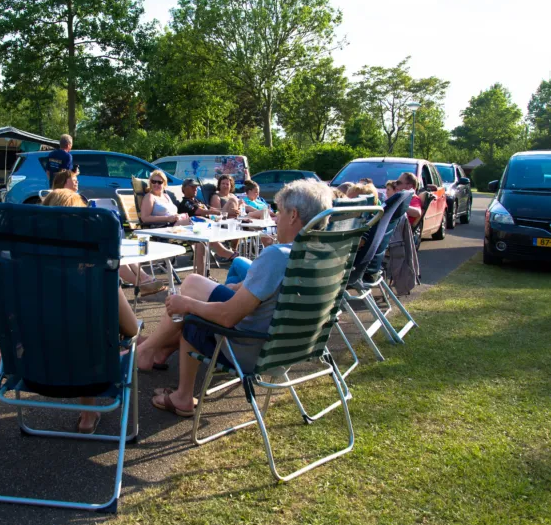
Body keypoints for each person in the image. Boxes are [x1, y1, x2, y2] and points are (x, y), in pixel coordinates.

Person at [137, 179, 333, 417]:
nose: (275, 219)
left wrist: (186, 304)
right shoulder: (326, 254)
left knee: (191, 313)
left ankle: (180, 395)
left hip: (250, 349)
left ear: (293, 216)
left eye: (278, 213)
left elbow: (227, 317)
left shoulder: (278, 256)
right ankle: (152, 351)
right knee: (195, 284)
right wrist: (240, 287)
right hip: (292, 350)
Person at [41, 189, 141, 433]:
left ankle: (88, 415)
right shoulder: (96, 272)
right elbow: (131, 329)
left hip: (35, 367)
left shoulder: (19, 271)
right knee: (94, 340)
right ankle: (88, 416)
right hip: (91, 369)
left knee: (72, 334)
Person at [175, 178, 237, 274]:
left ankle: (228, 254)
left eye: (196, 187)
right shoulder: (186, 203)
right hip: (192, 231)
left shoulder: (197, 200)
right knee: (206, 240)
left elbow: (210, 208)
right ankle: (229, 254)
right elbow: (201, 211)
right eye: (192, 187)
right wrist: (224, 212)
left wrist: (225, 212)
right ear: (184, 189)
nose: (195, 189)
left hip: (204, 229)